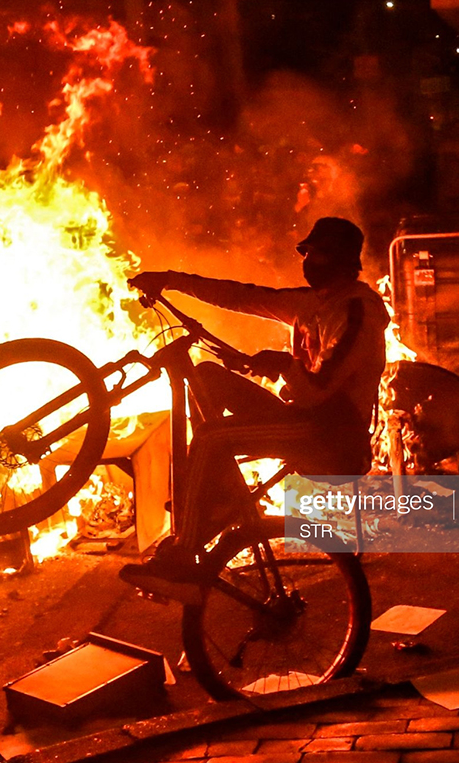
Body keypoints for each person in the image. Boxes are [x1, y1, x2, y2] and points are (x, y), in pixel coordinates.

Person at [120, 217, 390, 603]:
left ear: (345, 261)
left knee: (214, 437)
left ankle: (185, 555)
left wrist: (280, 364)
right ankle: (220, 493)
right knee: (210, 376)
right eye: (307, 253)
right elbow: (240, 296)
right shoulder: (311, 303)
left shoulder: (357, 314)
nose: (309, 261)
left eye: (319, 254)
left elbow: (317, 392)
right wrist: (170, 280)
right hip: (302, 418)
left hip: (329, 434)